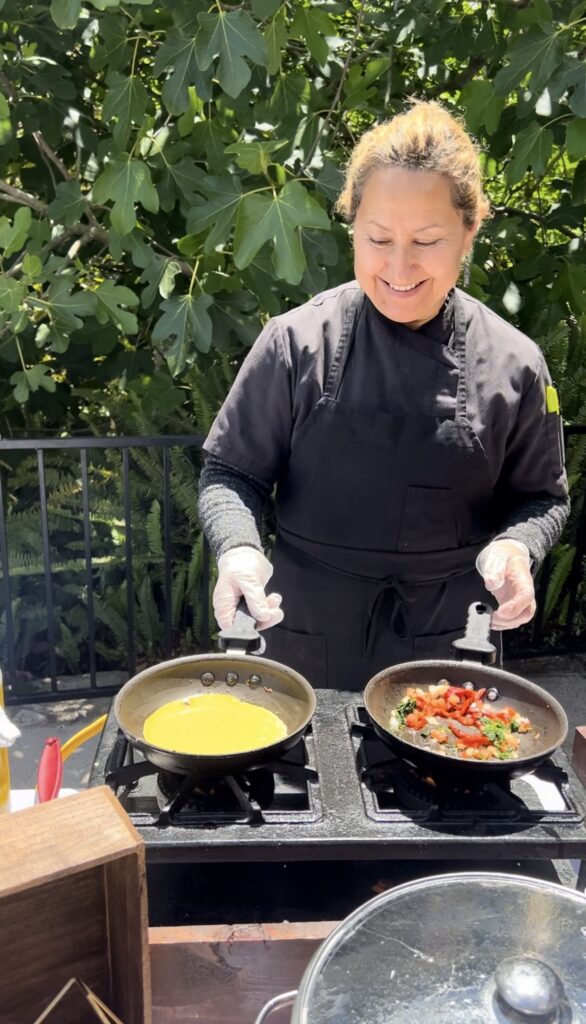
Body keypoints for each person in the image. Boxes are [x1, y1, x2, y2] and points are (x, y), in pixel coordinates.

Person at [198, 100, 569, 690]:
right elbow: (229, 474)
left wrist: (519, 548)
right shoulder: (294, 343)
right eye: (377, 238)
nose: (399, 267)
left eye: (427, 240)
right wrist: (238, 549)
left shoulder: (516, 364)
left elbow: (543, 498)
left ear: (469, 233)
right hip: (303, 640)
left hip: (451, 651)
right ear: (352, 226)